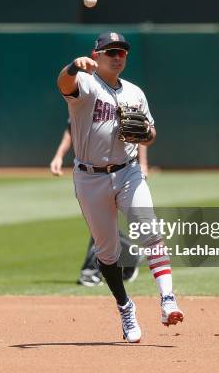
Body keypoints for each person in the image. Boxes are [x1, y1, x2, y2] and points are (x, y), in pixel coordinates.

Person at [56, 32, 184, 343]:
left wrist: (146, 134)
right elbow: (63, 84)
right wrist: (73, 66)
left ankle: (168, 299)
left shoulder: (136, 93)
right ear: (96, 55)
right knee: (107, 253)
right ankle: (125, 306)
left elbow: (150, 133)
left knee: (150, 229)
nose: (117, 56)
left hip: (128, 173)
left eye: (122, 52)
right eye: (111, 51)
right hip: (90, 178)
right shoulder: (85, 83)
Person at [49, 122, 146, 286]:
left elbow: (139, 129)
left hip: (123, 170)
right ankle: (130, 253)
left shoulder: (124, 97)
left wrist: (143, 163)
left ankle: (92, 270)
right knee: (101, 222)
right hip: (92, 173)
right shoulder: (86, 98)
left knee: (101, 222)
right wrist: (59, 155)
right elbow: (71, 127)